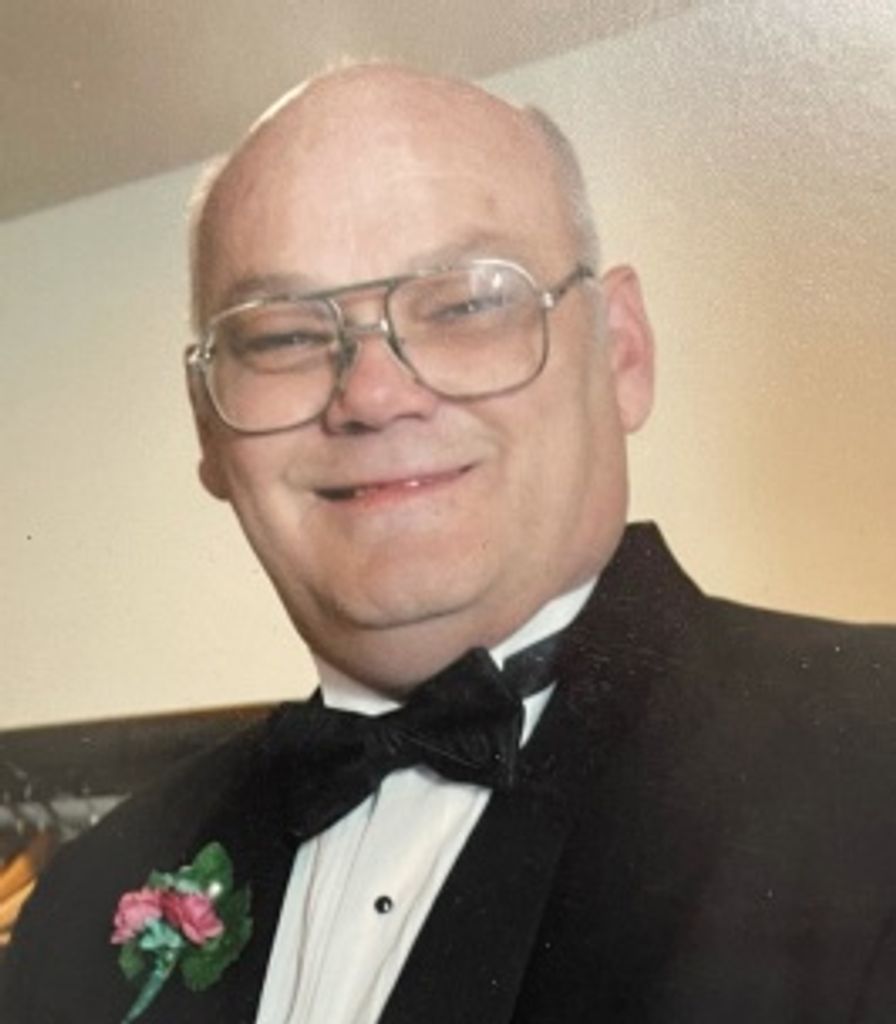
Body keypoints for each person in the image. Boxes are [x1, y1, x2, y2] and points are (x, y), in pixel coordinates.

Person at [3, 62, 896, 1024]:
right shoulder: (86, 896)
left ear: (623, 352)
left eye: (466, 303)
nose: (373, 394)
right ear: (207, 425)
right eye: (284, 337)